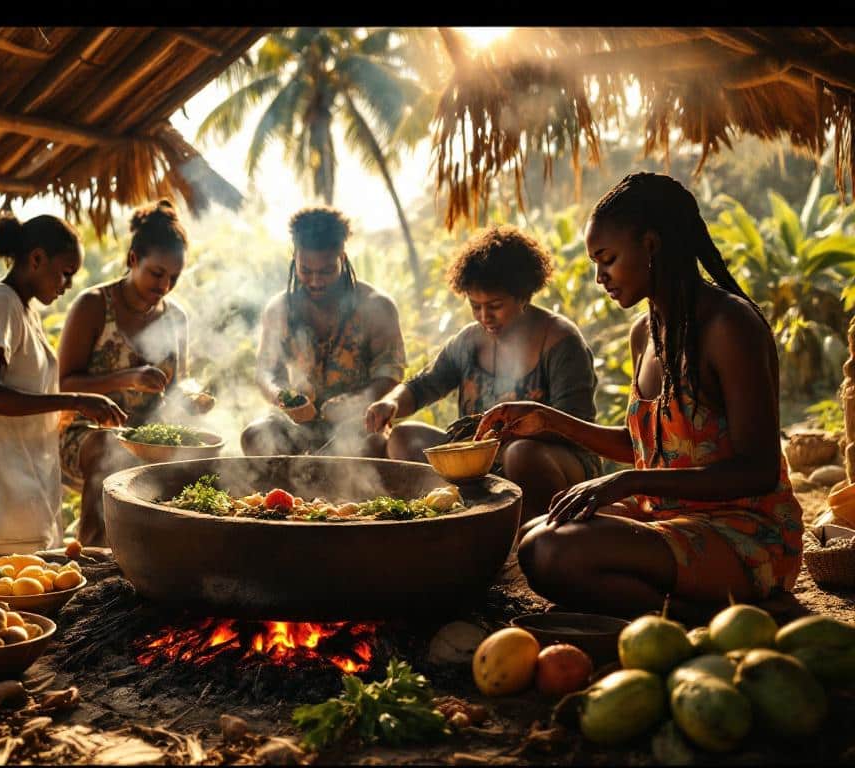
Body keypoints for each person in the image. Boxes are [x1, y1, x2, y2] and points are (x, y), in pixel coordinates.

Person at [477, 172, 804, 618]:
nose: (599, 277)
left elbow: (759, 470)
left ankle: (701, 619)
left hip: (743, 531)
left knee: (555, 553)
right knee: (537, 538)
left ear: (650, 245)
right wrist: (549, 419)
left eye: (607, 259)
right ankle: (685, 607)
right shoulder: (645, 332)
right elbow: (651, 446)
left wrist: (628, 481)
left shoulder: (729, 325)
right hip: (670, 517)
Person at [365, 225, 601, 521]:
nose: (484, 316)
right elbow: (424, 385)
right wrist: (392, 403)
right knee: (402, 438)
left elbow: (576, 426)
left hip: (551, 462)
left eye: (495, 306)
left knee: (520, 453)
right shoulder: (468, 341)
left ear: (523, 295)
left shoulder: (560, 340)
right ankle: (458, 519)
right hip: (480, 465)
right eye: (475, 306)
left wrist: (515, 436)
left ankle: (528, 531)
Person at [0, 212, 127, 556]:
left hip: (24, 475)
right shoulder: (0, 304)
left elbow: (29, 391)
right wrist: (75, 400)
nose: (68, 284)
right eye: (65, 272)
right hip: (2, 480)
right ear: (36, 259)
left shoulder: (23, 309)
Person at [57, 200, 206, 547]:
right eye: (157, 273)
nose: (165, 285)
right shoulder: (93, 306)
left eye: (174, 277)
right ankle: (94, 553)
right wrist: (128, 378)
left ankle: (167, 556)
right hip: (87, 431)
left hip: (151, 433)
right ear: (133, 259)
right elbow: (65, 384)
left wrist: (190, 399)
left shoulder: (176, 318)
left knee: (205, 451)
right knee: (112, 447)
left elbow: (176, 386)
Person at [242, 206, 406, 458]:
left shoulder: (376, 306)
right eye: (306, 271)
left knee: (369, 446)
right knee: (254, 436)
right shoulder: (279, 309)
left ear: (342, 256)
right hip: (297, 428)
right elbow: (265, 372)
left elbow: (391, 374)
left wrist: (355, 402)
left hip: (359, 427)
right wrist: (283, 398)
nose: (316, 281)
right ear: (295, 257)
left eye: (327, 271)